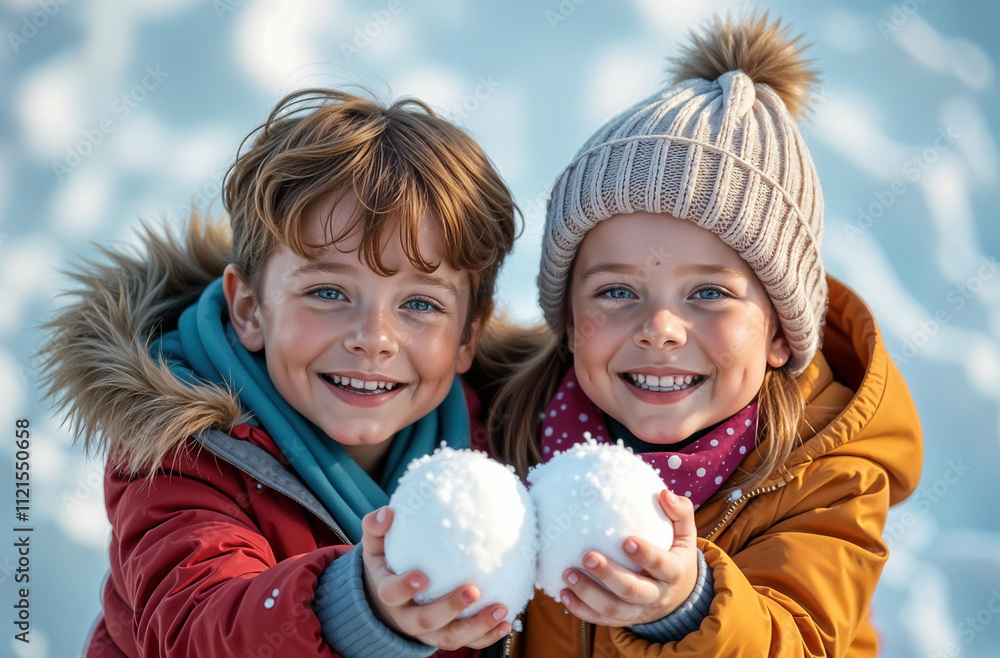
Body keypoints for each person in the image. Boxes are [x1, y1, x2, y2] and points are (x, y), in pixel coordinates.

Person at [489, 13, 923, 657]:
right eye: (617, 292)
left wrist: (688, 610)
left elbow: (802, 641)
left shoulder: (827, 478)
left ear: (780, 333)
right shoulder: (511, 416)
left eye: (710, 294)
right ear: (570, 325)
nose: (660, 329)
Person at [37, 87, 522, 657]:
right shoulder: (183, 455)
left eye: (420, 304)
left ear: (467, 334)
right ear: (249, 309)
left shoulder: (509, 443)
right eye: (327, 291)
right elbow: (199, 629)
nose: (374, 339)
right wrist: (356, 607)